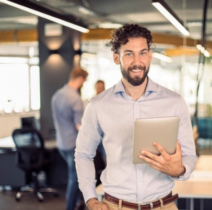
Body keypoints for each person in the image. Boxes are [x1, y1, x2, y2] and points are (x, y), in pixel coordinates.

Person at [75, 24, 197, 210]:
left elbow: (189, 154)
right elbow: (83, 154)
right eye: (129, 53)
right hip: (116, 206)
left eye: (142, 53)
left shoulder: (174, 102)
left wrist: (179, 170)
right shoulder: (98, 105)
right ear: (117, 58)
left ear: (149, 56)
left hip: (163, 205)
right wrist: (90, 199)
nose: (137, 61)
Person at [52, 67, 88, 210]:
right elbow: (78, 126)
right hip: (73, 144)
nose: (83, 84)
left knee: (77, 175)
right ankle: (69, 207)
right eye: (83, 81)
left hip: (61, 143)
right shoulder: (75, 98)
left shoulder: (57, 95)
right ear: (80, 79)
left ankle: (79, 202)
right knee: (74, 178)